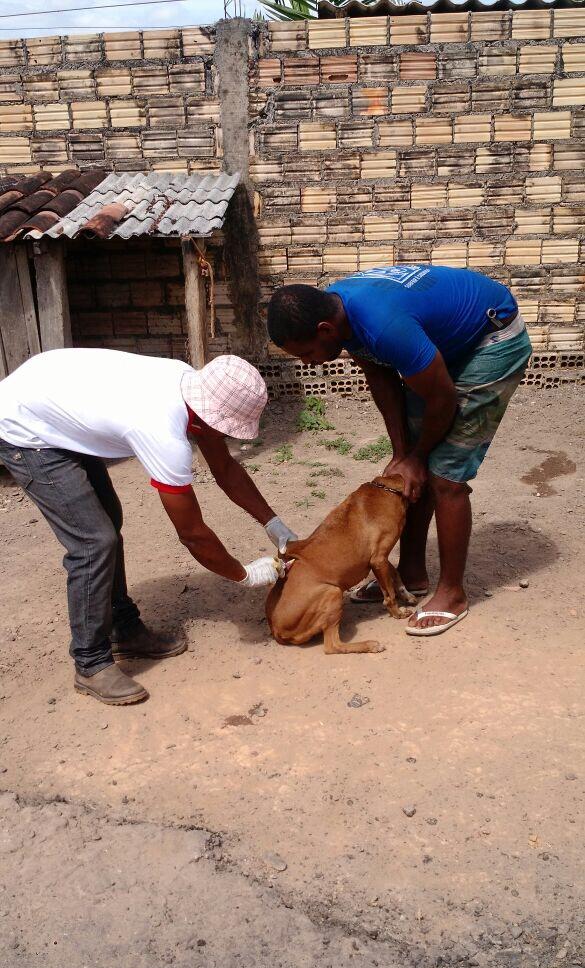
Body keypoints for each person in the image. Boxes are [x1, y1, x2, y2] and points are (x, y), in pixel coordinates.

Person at [0, 349, 297, 704]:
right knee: (94, 541)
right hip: (25, 426)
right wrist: (243, 574)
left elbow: (226, 469)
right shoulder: (161, 430)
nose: (227, 437)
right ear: (206, 419)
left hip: (55, 405)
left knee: (108, 522)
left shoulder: (190, 386)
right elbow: (192, 534)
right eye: (226, 430)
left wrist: (272, 522)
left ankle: (122, 628)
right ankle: (90, 663)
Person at [267, 264, 532, 637]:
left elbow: (441, 398)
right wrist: (402, 452)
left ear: (324, 330)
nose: (308, 363)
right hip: (443, 345)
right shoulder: (340, 315)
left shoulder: (383, 325)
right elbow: (379, 374)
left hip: (492, 341)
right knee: (407, 472)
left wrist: (419, 457)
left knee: (445, 477)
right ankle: (411, 574)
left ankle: (453, 593)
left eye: (307, 352)